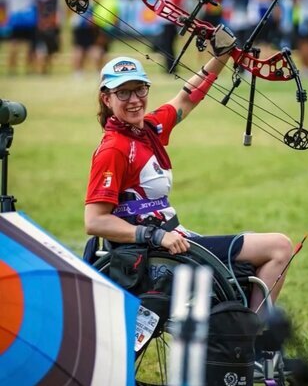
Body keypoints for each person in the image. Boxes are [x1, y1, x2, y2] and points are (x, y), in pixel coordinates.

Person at [84, 25, 293, 314]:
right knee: (278, 248)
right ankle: (253, 344)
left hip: (177, 242)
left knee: (261, 253)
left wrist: (221, 55)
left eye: (139, 89)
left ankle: (244, 341)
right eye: (123, 93)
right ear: (106, 99)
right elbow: (95, 221)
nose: (134, 100)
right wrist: (156, 236)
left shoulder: (147, 129)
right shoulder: (114, 148)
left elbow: (186, 97)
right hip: (160, 253)